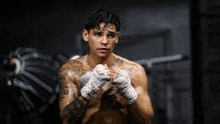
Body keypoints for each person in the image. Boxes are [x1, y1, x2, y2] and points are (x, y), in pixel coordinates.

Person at [59, 9, 154, 124]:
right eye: (98, 34)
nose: (104, 41)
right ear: (85, 35)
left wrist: (128, 92)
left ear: (117, 37)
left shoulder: (134, 71)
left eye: (110, 35)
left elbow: (147, 119)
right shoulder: (71, 71)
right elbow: (66, 119)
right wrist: (88, 91)